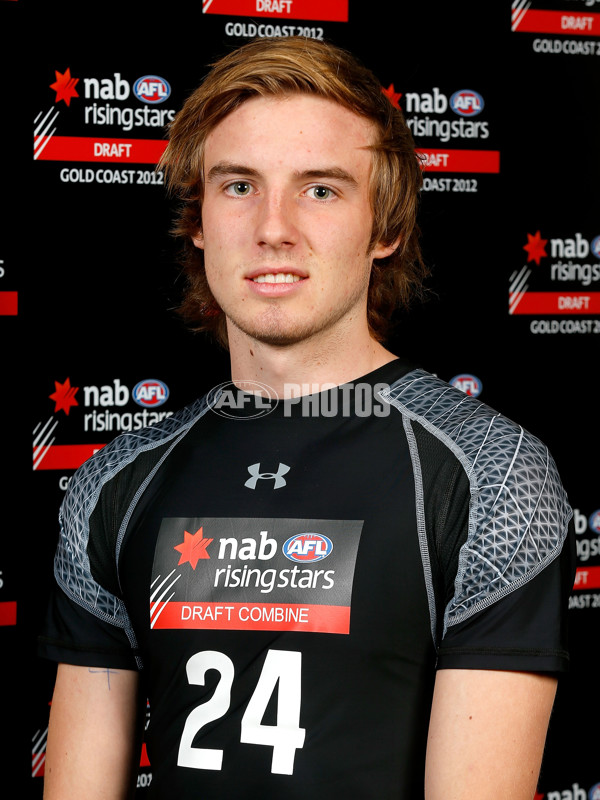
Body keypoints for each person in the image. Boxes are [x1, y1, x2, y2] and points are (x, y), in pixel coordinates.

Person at [39, 36, 574, 799]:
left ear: (385, 228)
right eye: (237, 187)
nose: (273, 228)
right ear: (197, 221)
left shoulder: (490, 474)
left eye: (320, 189)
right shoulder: (112, 484)